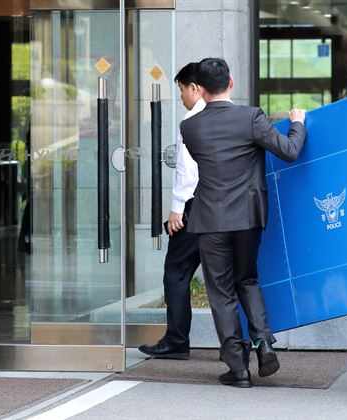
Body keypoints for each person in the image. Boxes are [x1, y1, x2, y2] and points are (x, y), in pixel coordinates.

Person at [181, 57, 307, 388]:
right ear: (231, 82)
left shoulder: (189, 127)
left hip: (209, 218)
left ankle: (238, 368)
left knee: (220, 291)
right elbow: (290, 150)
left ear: (201, 90)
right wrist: (297, 123)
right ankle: (264, 343)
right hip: (248, 216)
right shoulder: (251, 117)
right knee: (247, 279)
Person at [138, 62, 205, 360]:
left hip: (195, 208)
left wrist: (176, 210)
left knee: (176, 273)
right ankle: (239, 343)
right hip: (227, 211)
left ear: (194, 87)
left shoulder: (190, 122)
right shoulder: (228, 117)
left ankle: (177, 340)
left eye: (181, 90)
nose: (181, 98)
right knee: (226, 281)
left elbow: (187, 173)